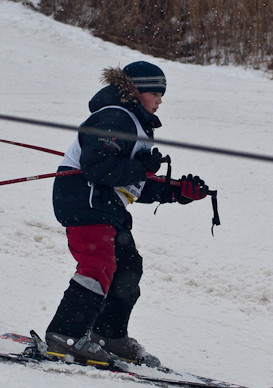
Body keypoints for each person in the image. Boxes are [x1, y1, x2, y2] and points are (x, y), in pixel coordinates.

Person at [45, 61, 210, 368]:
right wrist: (142, 168)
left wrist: (178, 192)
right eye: (156, 92)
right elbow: (98, 167)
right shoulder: (115, 117)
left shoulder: (136, 124)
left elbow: (134, 183)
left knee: (128, 267)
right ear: (135, 91)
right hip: (86, 200)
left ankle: (108, 335)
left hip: (107, 205)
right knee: (98, 263)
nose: (161, 100)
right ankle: (64, 336)